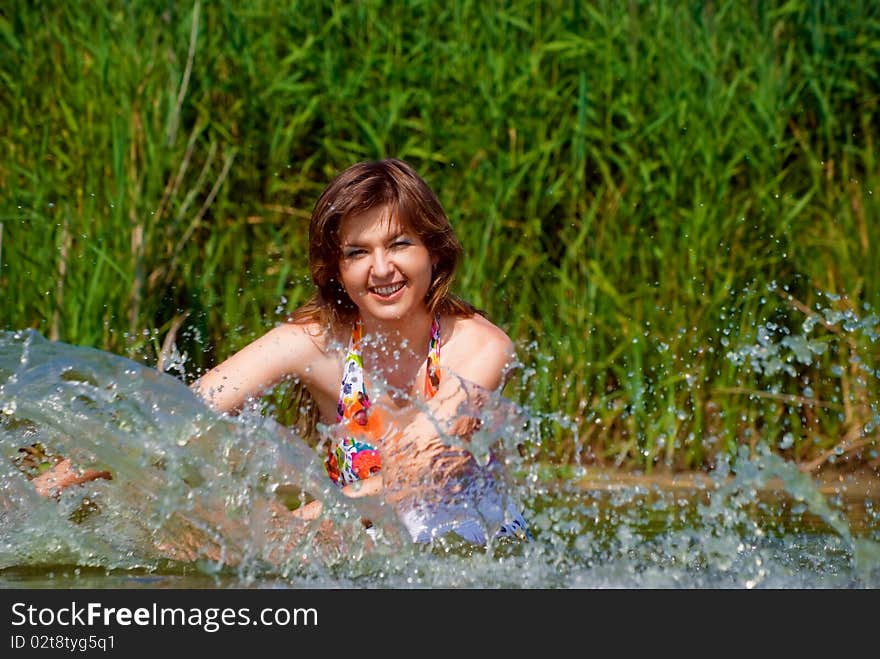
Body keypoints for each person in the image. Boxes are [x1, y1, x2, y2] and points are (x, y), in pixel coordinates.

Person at [192, 158, 529, 544]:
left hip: (479, 568)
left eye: (399, 244)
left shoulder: (481, 347)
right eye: (357, 252)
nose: (382, 269)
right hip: (365, 562)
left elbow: (412, 475)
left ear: (433, 252)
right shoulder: (314, 344)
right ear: (336, 269)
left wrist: (282, 528)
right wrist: (114, 456)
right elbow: (181, 413)